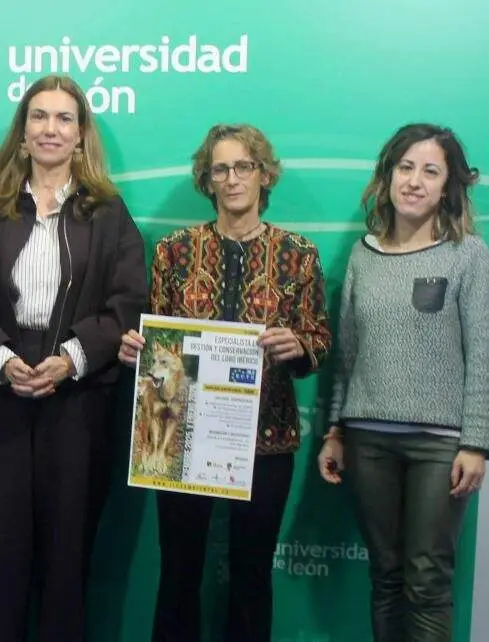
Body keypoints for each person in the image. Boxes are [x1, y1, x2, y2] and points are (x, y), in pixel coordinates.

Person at [0, 74, 147, 641]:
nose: (50, 129)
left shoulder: (107, 213)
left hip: (77, 401)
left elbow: (128, 302)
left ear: (81, 135)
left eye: (64, 119)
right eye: (39, 117)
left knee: (66, 555)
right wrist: (2, 360)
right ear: (23, 131)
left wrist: (71, 359)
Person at [118, 123, 332, 642]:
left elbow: (320, 337)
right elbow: (155, 334)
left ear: (263, 175)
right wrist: (136, 349)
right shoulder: (173, 251)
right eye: (221, 169)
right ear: (207, 180)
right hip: (180, 441)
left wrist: (300, 346)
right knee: (178, 571)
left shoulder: (298, 253)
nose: (232, 179)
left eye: (244, 167)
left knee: (252, 575)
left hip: (267, 438)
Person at [318, 123, 489, 642]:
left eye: (430, 171)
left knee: (427, 582)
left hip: (440, 447)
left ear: (449, 186)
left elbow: (484, 355)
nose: (415, 181)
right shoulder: (362, 255)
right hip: (367, 440)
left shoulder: (467, 255)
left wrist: (477, 444)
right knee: (386, 577)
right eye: (405, 167)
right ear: (388, 176)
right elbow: (347, 354)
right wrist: (334, 430)